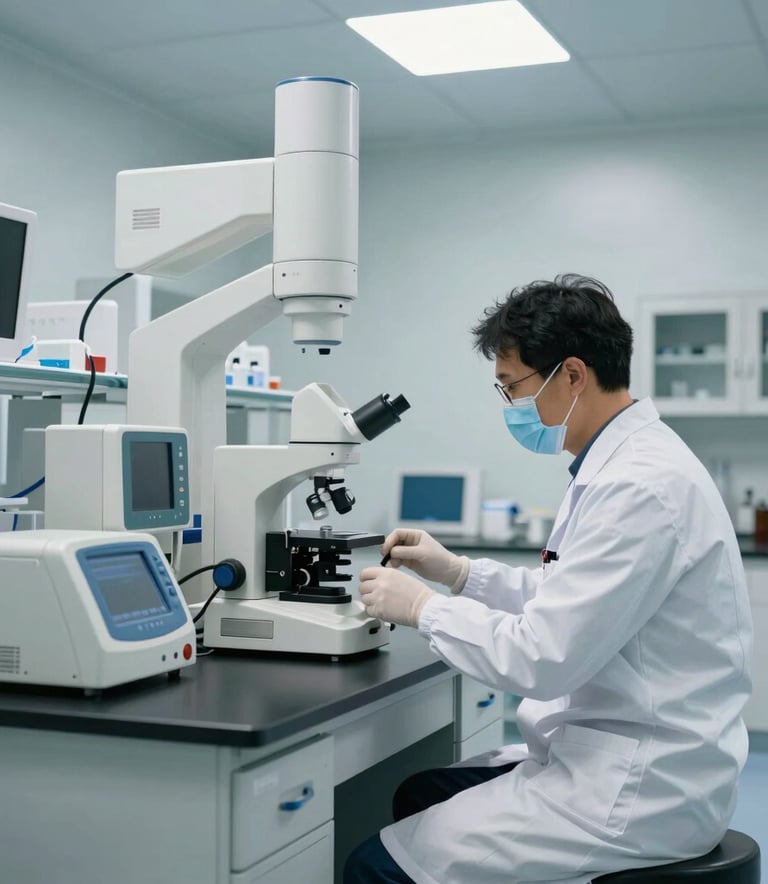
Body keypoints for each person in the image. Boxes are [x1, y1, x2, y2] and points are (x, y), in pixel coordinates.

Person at [345, 274, 752, 884]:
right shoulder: (617, 465)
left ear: (571, 375)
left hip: (638, 787)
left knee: (372, 866)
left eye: (513, 386)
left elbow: (544, 656)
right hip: (619, 748)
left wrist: (424, 608)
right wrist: (459, 573)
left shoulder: (636, 485)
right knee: (422, 794)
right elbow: (569, 601)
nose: (509, 405)